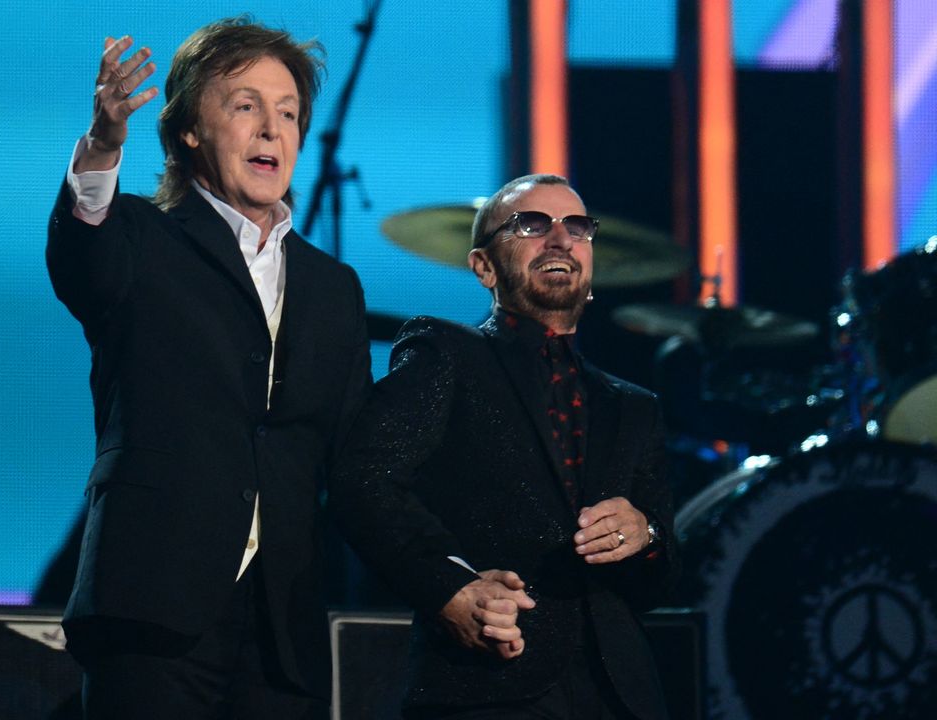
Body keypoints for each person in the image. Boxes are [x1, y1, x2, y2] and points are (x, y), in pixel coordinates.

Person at [46, 18, 371, 719]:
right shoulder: (140, 238)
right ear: (190, 128)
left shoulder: (332, 287)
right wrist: (104, 141)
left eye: (287, 113)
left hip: (282, 633)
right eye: (245, 105)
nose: (270, 129)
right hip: (152, 607)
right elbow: (82, 252)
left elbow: (357, 464)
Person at [332, 174, 679, 719]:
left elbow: (663, 577)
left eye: (577, 227)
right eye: (531, 225)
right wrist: (449, 589)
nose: (560, 239)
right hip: (490, 681)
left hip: (620, 694)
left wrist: (648, 534)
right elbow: (363, 481)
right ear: (484, 266)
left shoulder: (635, 406)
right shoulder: (446, 353)